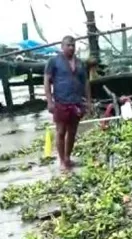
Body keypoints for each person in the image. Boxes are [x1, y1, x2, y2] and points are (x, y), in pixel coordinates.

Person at [44, 36, 91, 172]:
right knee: (60, 131)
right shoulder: (53, 61)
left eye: (73, 45)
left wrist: (88, 101)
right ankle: (62, 161)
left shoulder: (80, 63)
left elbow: (86, 82)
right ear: (62, 46)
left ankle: (68, 157)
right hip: (61, 101)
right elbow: (47, 80)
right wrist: (49, 101)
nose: (71, 48)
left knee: (72, 132)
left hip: (76, 102)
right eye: (68, 45)